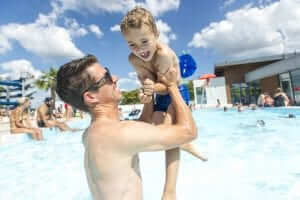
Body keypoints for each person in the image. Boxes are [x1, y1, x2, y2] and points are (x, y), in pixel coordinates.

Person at [55, 55, 198, 200]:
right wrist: (173, 85)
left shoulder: (89, 134)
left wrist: (148, 101)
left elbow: (140, 128)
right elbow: (188, 132)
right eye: (108, 77)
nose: (115, 78)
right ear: (91, 97)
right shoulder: (120, 134)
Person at [120, 7, 206, 199]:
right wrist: (146, 89)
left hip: (177, 91)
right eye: (132, 44)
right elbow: (147, 80)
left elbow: (169, 85)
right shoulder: (133, 60)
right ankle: (186, 144)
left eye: (144, 41)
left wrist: (150, 88)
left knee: (169, 131)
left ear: (156, 35)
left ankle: (169, 191)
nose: (140, 49)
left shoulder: (164, 54)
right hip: (160, 93)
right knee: (157, 124)